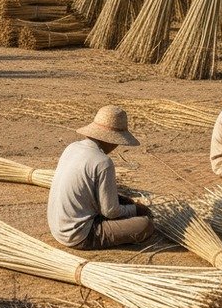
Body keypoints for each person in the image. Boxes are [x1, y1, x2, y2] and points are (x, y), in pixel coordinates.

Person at [47, 105, 153, 249]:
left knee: (119, 200)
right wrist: (136, 209)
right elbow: (110, 212)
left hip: (56, 227)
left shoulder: (72, 147)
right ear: (111, 140)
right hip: (78, 234)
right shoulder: (103, 162)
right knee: (145, 225)